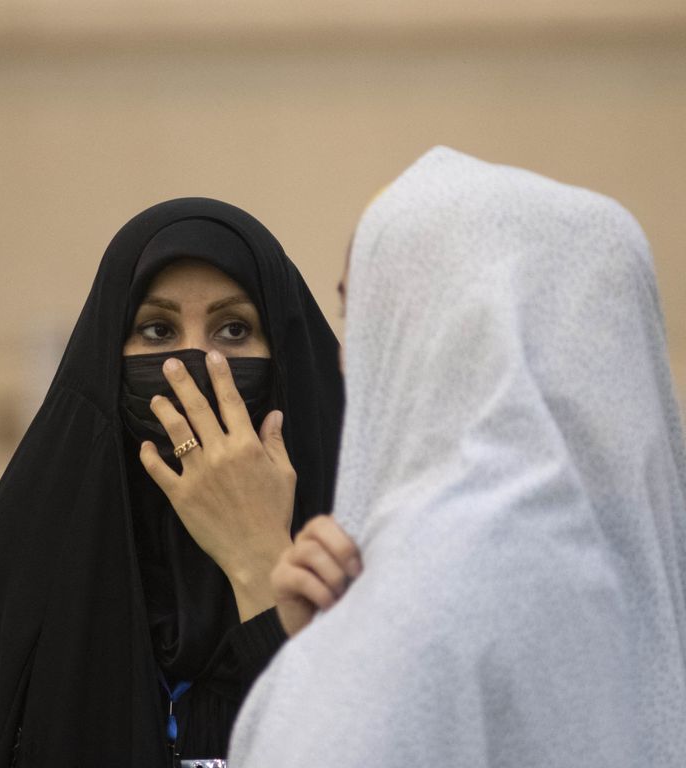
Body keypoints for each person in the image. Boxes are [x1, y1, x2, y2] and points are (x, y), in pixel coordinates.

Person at [228, 147, 686, 767]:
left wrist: (331, 662)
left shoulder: (416, 611)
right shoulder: (648, 589)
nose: (347, 356)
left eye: (367, 314)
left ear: (447, 329)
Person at [0, 198, 344, 767]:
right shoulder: (19, 590)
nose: (192, 363)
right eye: (157, 329)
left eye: (234, 329)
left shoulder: (362, 563)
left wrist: (260, 562)